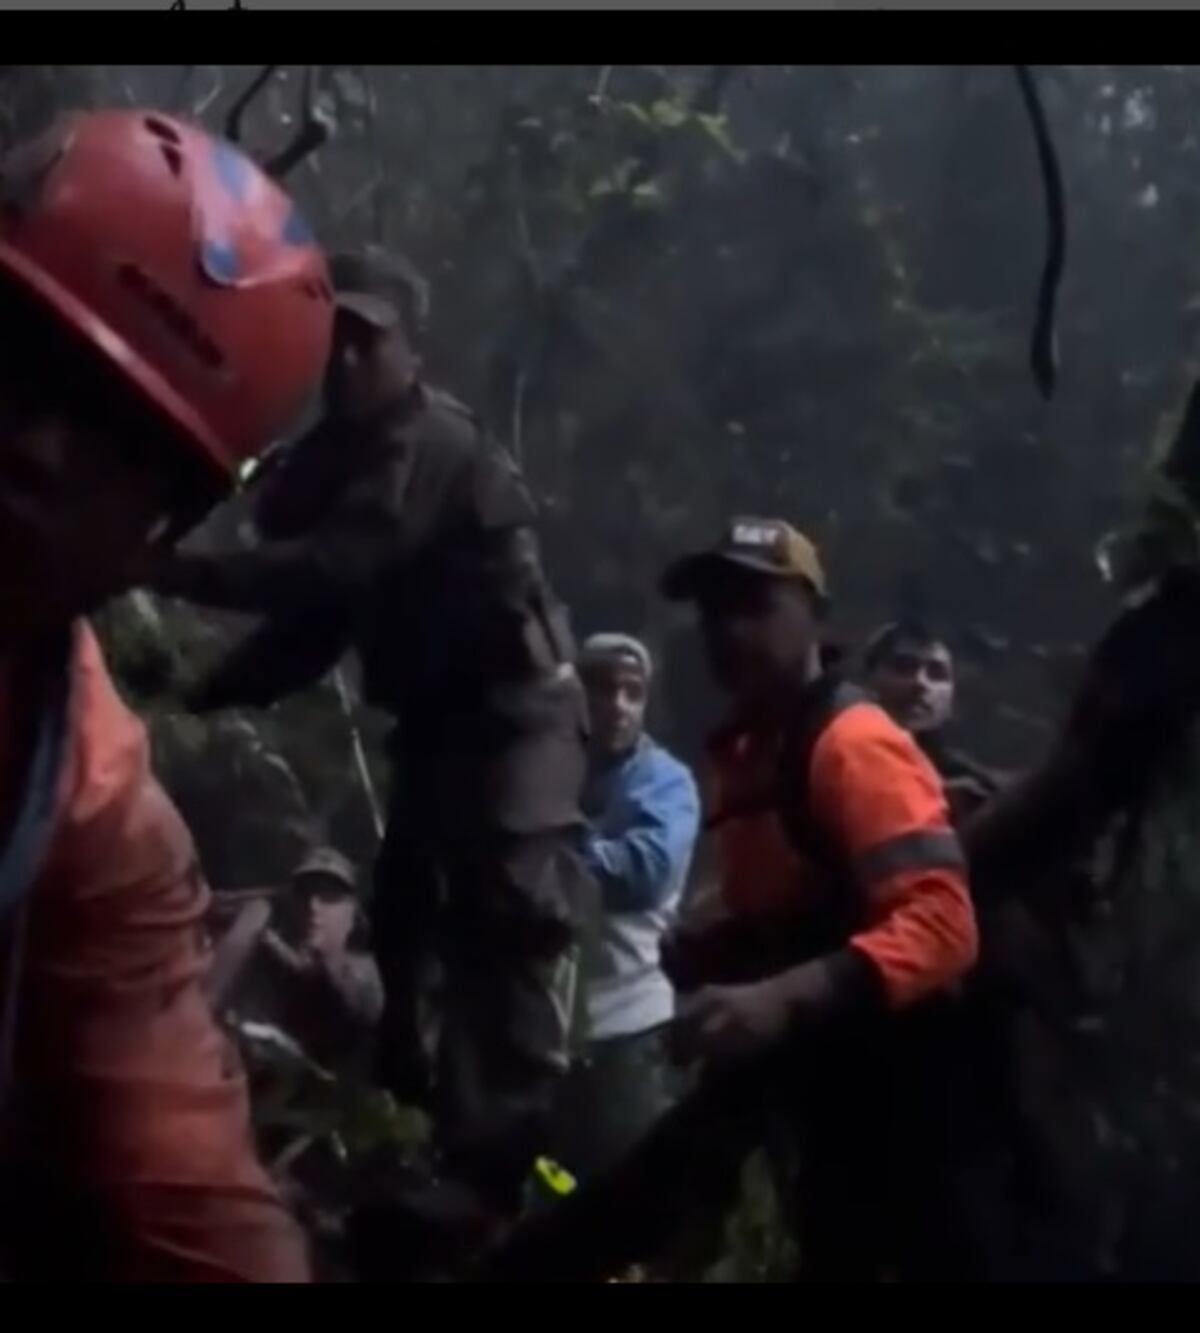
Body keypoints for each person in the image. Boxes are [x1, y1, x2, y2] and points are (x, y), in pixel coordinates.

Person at [142, 245, 589, 1226]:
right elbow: (313, 635)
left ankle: (496, 1168)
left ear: (406, 347)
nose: (344, 361)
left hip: (520, 714)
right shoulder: (335, 458)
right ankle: (424, 1125)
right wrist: (193, 687)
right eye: (332, 338)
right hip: (437, 721)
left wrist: (184, 577)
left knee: (506, 903)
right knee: (407, 917)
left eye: (366, 341)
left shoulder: (427, 444)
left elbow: (337, 568)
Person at [0, 108, 334, 1280]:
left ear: (163, 532)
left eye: (117, 440)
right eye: (22, 360)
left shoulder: (82, 807)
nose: (38, 448)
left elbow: (188, 1192)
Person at [470, 516, 980, 1283]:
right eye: (712, 610)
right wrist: (721, 947)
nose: (726, 630)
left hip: (909, 1094)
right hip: (819, 1087)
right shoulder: (750, 752)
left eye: (752, 605)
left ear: (815, 615)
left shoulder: (851, 743)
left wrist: (781, 994)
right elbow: (812, 902)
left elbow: (944, 924)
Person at [553, 634, 700, 1180]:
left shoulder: (665, 782)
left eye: (632, 692)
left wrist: (557, 853)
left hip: (632, 1023)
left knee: (626, 1181)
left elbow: (644, 872)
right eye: (602, 688)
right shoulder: (552, 769)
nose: (617, 704)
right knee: (552, 1181)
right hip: (551, 1028)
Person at [209, 847, 383, 1079]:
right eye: (305, 895)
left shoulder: (366, 970)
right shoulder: (273, 965)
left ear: (353, 914)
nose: (313, 907)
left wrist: (321, 964)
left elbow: (357, 1000)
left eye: (329, 897)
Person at [863, 620, 1003, 821]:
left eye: (936, 673)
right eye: (903, 667)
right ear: (868, 679)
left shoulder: (974, 787)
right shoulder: (830, 757)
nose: (920, 682)